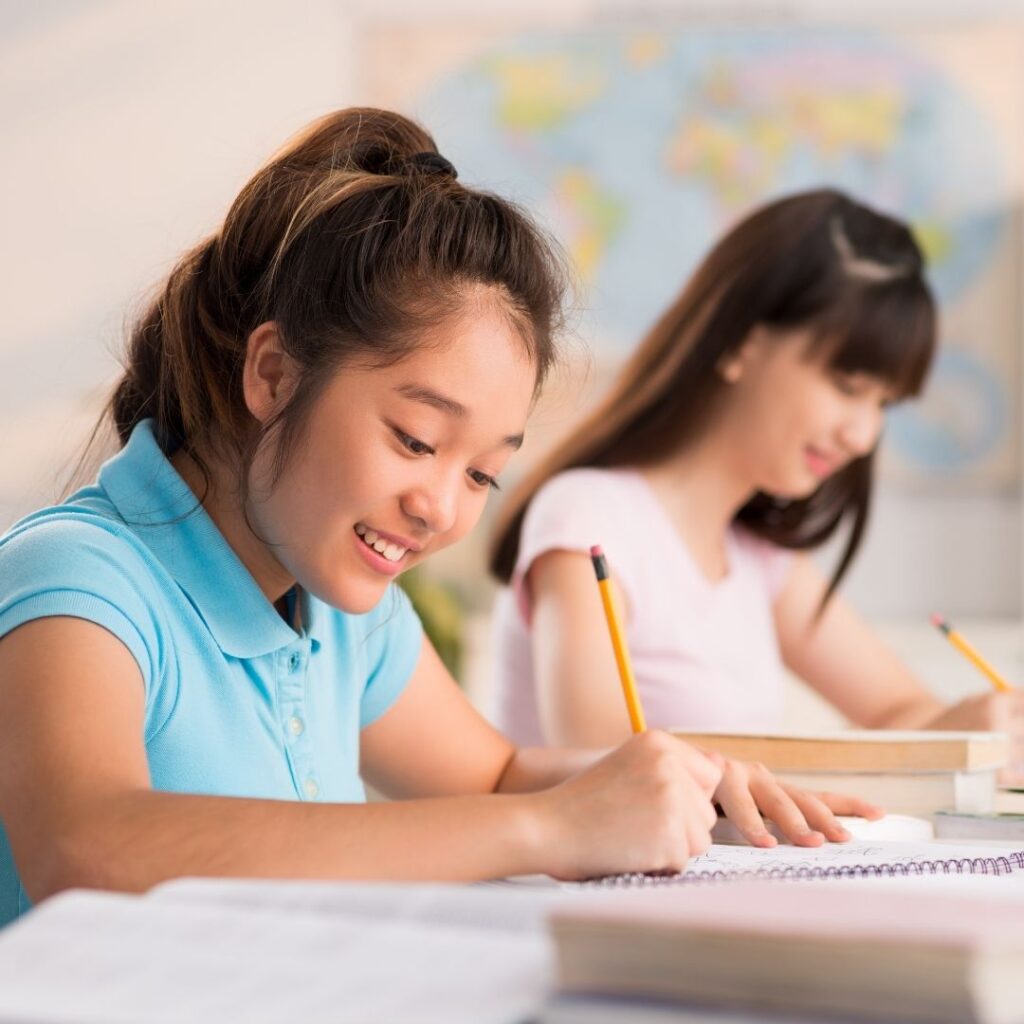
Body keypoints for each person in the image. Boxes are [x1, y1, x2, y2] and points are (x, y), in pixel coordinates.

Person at [0, 113, 873, 927]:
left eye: (483, 473)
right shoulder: (78, 579)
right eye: (416, 440)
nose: (441, 509)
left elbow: (494, 775)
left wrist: (682, 780)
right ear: (272, 374)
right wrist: (551, 829)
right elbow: (88, 850)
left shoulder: (340, 607)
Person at [489, 189, 1024, 769]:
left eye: (883, 403)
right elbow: (601, 769)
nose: (863, 436)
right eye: (848, 386)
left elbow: (900, 711)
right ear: (742, 342)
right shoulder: (588, 521)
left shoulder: (757, 559)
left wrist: (980, 723)